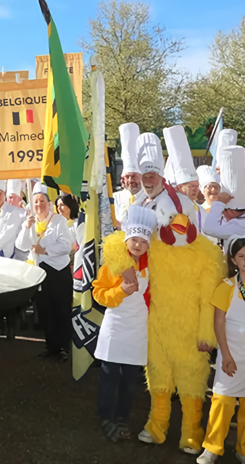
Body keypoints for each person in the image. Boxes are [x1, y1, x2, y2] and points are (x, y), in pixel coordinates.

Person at [136, 131, 225, 454]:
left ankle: (191, 432)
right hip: (157, 313)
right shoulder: (148, 229)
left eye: (153, 175)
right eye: (144, 175)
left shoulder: (204, 256)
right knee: (158, 372)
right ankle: (156, 426)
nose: (175, 225)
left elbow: (208, 295)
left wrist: (206, 332)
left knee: (190, 377)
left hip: (188, 320)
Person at [92, 206, 157, 442]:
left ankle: (122, 417)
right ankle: (106, 418)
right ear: (126, 239)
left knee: (130, 381)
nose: (138, 245)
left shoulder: (153, 267)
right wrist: (120, 291)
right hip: (115, 329)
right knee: (109, 378)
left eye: (143, 241)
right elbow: (98, 294)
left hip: (138, 332)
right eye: (134, 239)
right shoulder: (113, 265)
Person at [197, 237, 245, 464]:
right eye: (242, 256)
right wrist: (225, 355)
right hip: (232, 354)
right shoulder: (226, 287)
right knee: (223, 401)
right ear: (234, 260)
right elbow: (219, 322)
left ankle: (243, 449)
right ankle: (212, 448)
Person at [16, 182, 73, 360]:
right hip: (40, 272)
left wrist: (46, 250)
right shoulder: (31, 222)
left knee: (61, 310)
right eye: (36, 202)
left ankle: (64, 348)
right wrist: (26, 227)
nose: (39, 205)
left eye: (42, 201)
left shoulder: (58, 221)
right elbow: (21, 245)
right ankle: (51, 346)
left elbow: (66, 246)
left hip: (58, 271)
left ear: (48, 203)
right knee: (45, 310)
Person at [114, 123, 146, 228]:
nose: (130, 180)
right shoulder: (115, 198)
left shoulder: (149, 199)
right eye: (127, 177)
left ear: (141, 176)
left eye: (134, 176)